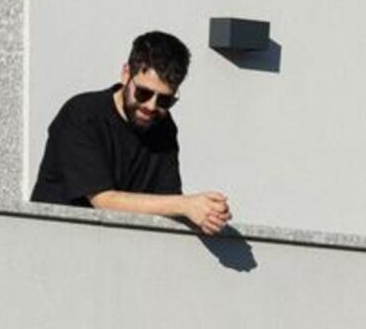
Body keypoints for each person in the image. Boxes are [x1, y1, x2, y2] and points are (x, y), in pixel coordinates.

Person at [29, 30, 232, 235]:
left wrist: (209, 214)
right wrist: (186, 206)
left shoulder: (163, 126)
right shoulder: (83, 115)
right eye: (143, 93)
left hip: (120, 253)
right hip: (56, 245)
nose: (151, 106)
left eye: (164, 100)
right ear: (126, 74)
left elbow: (166, 203)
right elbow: (104, 202)